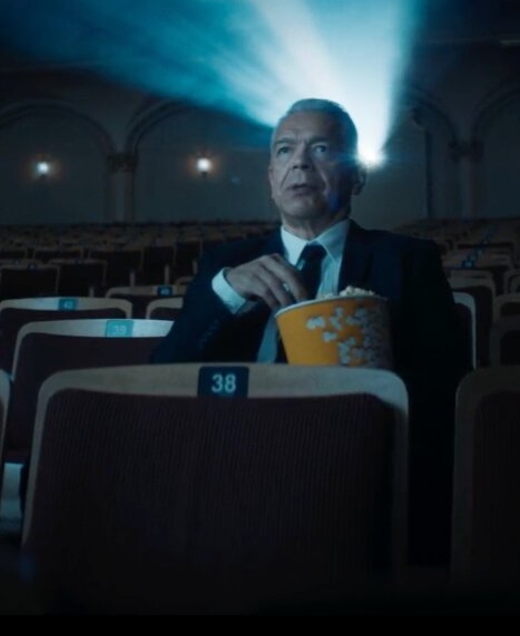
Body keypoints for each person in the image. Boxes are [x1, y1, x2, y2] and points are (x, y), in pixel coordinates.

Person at [151, 98, 470, 568]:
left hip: (350, 458)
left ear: (358, 175)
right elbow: (167, 372)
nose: (299, 161)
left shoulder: (408, 260)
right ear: (271, 179)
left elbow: (447, 391)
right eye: (284, 150)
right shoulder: (224, 263)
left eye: (321, 148)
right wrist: (226, 293)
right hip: (235, 454)